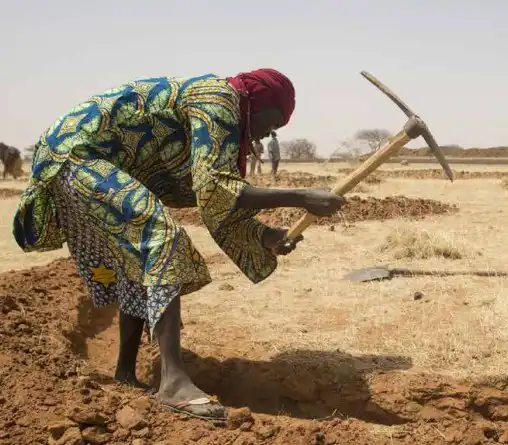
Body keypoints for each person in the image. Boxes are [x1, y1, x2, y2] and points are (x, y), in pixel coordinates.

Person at [12, 68, 345, 421]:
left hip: (90, 158)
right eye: (273, 120)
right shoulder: (219, 100)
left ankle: (125, 371)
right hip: (76, 154)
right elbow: (215, 188)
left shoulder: (222, 109)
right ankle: (172, 381)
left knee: (137, 259)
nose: (269, 131)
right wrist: (301, 196)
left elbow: (217, 203)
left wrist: (266, 236)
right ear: (256, 102)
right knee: (162, 239)